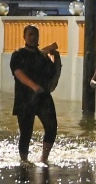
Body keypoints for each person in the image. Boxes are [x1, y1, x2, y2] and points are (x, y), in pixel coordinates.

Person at [8, 24, 61, 163]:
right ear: (24, 37)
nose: (33, 37)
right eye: (30, 34)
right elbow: (17, 72)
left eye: (35, 35)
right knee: (26, 132)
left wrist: (57, 58)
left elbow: (53, 75)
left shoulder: (43, 57)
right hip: (24, 98)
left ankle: (44, 158)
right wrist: (33, 86)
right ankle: (24, 161)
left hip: (43, 97)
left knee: (52, 127)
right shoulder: (18, 55)